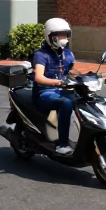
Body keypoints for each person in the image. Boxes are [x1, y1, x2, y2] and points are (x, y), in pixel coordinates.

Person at [32, 18, 76, 156]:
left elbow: (72, 72)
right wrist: (57, 82)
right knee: (66, 103)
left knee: (88, 100)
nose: (63, 38)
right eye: (60, 35)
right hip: (44, 93)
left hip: (62, 90)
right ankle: (62, 144)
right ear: (50, 36)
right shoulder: (41, 54)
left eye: (65, 35)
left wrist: (88, 77)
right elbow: (39, 77)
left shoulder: (68, 54)